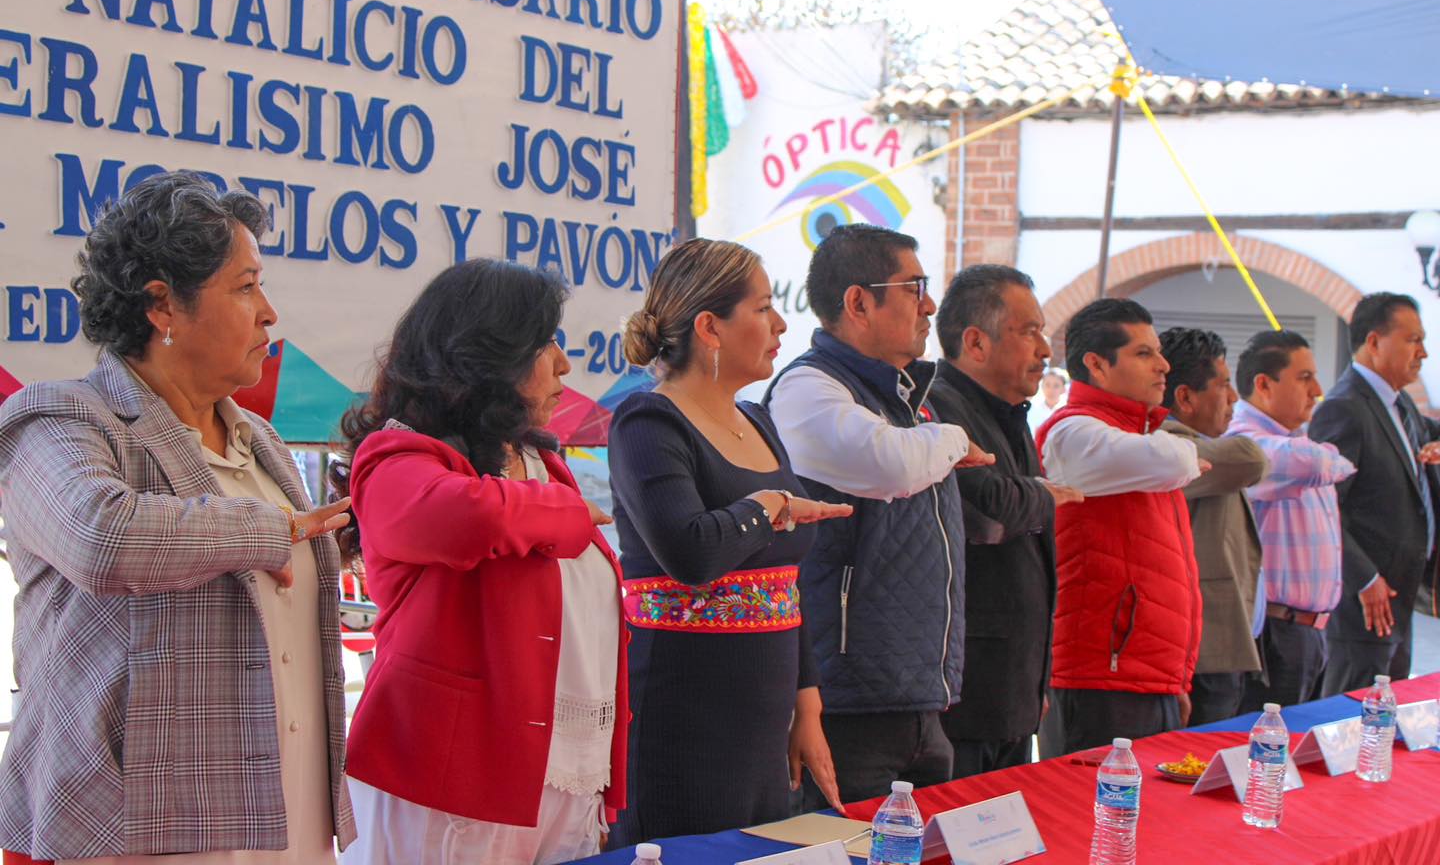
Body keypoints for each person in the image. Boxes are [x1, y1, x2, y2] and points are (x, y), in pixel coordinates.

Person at [0, 172, 355, 863]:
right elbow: (101, 536)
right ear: (162, 306)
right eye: (245, 287)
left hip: (286, 818)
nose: (269, 312)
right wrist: (267, 530)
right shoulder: (61, 418)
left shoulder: (262, 440)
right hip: (135, 834)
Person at [337, 259, 626, 865]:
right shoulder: (396, 458)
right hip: (453, 775)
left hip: (561, 768)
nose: (565, 365)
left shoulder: (538, 461)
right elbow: (470, 519)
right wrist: (566, 515)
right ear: (490, 357)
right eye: (546, 344)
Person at [605, 239, 852, 844]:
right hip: (683, 707)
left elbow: (784, 589)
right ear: (710, 327)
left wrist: (808, 703)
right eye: (764, 307)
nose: (781, 324)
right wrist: (769, 507)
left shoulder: (758, 420)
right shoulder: (647, 420)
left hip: (766, 713)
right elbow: (690, 552)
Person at [766, 224, 993, 805]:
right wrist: (952, 438)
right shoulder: (807, 390)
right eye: (914, 287)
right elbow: (890, 464)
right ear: (858, 302)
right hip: (845, 701)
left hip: (921, 694)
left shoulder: (910, 400)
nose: (929, 305)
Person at [929, 266, 1082, 777]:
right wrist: (1042, 495)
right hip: (963, 690)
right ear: (975, 341)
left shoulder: (1012, 413)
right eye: (1030, 331)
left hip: (1014, 685)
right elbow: (988, 512)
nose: (1045, 349)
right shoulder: (937, 404)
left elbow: (1017, 513)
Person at [1033, 298, 1203, 757]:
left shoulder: (1134, 436)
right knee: (1087, 820)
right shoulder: (1073, 431)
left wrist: (1173, 675)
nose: (1164, 366)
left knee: (1141, 821)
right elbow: (1171, 458)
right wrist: (1187, 456)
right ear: (1096, 365)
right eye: (1144, 353)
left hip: (1143, 675)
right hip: (1099, 676)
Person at [1312, 294, 1440, 694]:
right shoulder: (1344, 408)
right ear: (1374, 342)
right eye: (1412, 339)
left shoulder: (1400, 404)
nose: (1423, 352)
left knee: (1387, 721)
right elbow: (1325, 508)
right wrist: (1365, 578)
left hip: (1401, 596)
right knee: (1350, 723)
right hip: (1362, 604)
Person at [1226, 330, 1355, 707]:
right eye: (1304, 378)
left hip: (1311, 630)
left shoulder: (1296, 440)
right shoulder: (1247, 442)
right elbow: (1315, 461)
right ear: (1263, 384)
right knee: (1266, 755)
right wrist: (1330, 455)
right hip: (1276, 632)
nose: (1317, 389)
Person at [1158, 328, 1269, 725]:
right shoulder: (1169, 442)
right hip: (1203, 650)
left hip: (1222, 644)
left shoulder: (1201, 445)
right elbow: (1252, 459)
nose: (1234, 398)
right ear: (1185, 397)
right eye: (1224, 385)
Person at [1027, 367, 1068, 434]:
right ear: (1042, 386)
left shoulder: (1066, 409)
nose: (1051, 390)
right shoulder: (1033, 408)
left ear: (1063, 389)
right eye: (1047, 385)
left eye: (1056, 386)